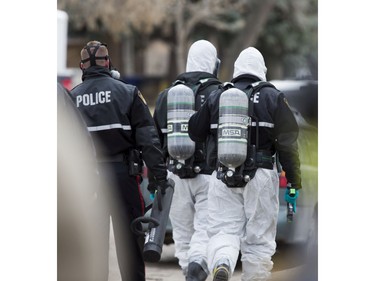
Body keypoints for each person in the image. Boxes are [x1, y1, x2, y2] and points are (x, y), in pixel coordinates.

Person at [187, 47, 302, 281]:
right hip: (261, 175)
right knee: (259, 240)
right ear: (262, 70)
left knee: (223, 230)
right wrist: (293, 180)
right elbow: (289, 143)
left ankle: (222, 262)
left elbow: (195, 131)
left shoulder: (219, 94)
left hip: (223, 175)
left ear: (237, 69)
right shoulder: (273, 97)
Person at [70, 41, 173, 281]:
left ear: (82, 66)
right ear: (107, 62)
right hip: (123, 176)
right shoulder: (127, 93)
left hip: (87, 181)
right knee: (130, 243)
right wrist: (159, 176)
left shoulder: (72, 97)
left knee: (93, 244)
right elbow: (148, 139)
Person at [151, 40, 222, 281]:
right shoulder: (219, 94)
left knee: (182, 235)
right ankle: (197, 267)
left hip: (174, 174)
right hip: (209, 175)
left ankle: (188, 272)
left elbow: (155, 138)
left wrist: (159, 176)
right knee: (204, 229)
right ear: (213, 63)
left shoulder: (166, 96)